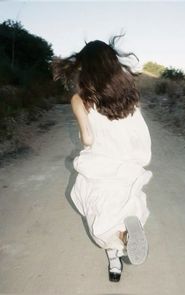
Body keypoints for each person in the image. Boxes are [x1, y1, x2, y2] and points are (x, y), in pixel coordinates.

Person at [51, 33, 153, 282]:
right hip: (127, 165)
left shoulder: (80, 99)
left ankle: (115, 256)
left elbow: (87, 139)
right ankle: (127, 237)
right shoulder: (130, 97)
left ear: (85, 67)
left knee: (101, 216)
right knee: (124, 207)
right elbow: (139, 134)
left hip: (100, 166)